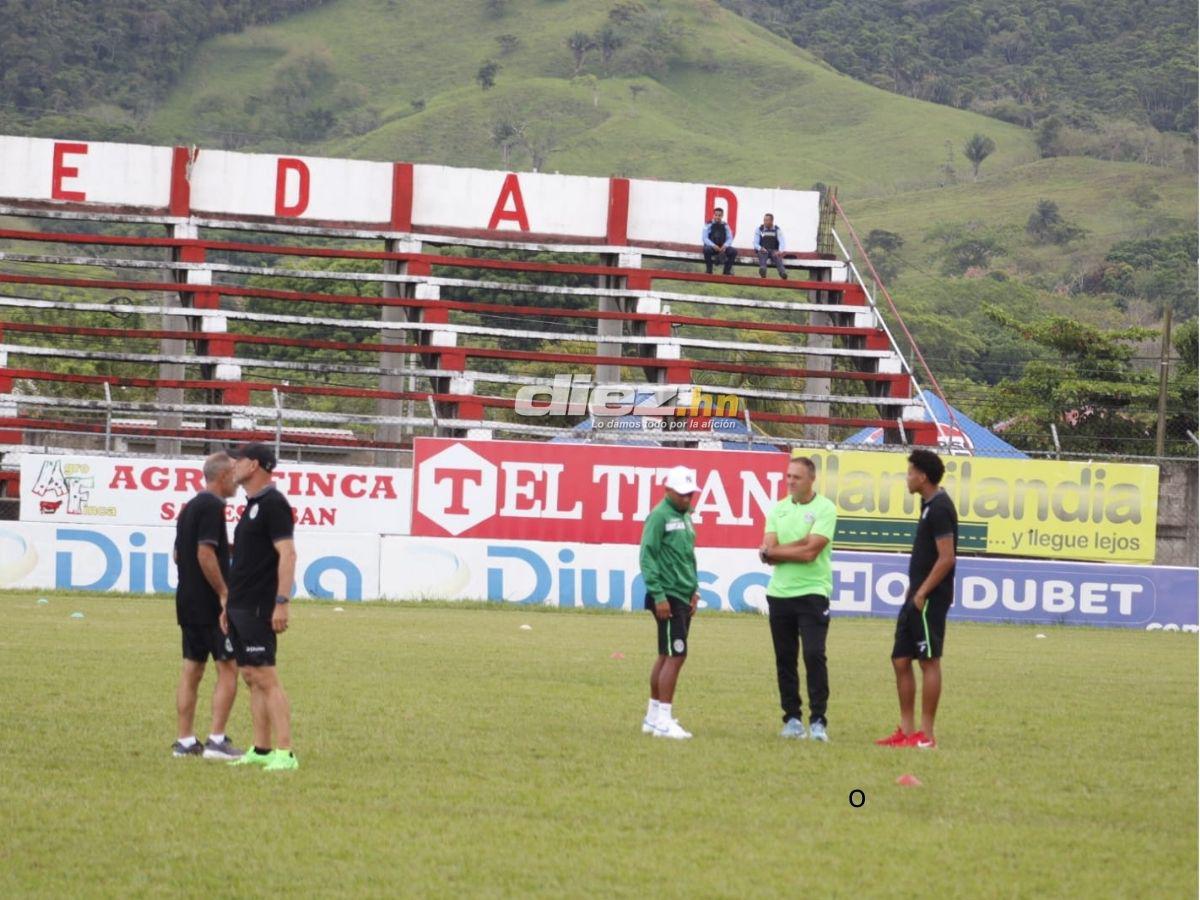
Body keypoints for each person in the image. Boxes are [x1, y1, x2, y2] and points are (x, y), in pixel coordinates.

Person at [224, 442, 300, 771]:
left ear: (254, 465)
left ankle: (286, 753)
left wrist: (281, 602)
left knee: (266, 676)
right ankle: (262, 748)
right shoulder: (252, 505)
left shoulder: (273, 503)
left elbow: (288, 554)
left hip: (259, 606)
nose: (232, 465)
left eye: (237, 460)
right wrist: (228, 605)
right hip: (240, 605)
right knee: (250, 676)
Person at [876, 449, 958, 750]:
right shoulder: (928, 505)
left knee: (928, 660)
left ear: (922, 476)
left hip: (929, 598)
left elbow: (947, 558)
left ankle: (927, 735)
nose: (907, 478)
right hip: (915, 595)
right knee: (900, 659)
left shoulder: (939, 508)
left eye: (910, 472)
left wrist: (922, 592)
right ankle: (907, 732)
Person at [170, 451, 244, 760]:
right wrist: (224, 593)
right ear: (224, 476)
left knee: (192, 669)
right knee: (228, 668)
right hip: (211, 604)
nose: (238, 481)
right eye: (235, 475)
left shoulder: (190, 507)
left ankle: (185, 741)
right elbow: (204, 553)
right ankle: (216, 741)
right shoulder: (213, 507)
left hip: (187, 600)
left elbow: (178, 554)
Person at [759, 456, 837, 741]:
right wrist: (798, 544)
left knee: (814, 655)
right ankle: (792, 719)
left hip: (813, 593)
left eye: (797, 477)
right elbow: (766, 553)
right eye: (788, 476)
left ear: (811, 479)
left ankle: (818, 721)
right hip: (779, 594)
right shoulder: (778, 509)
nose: (790, 481)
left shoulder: (825, 508)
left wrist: (781, 550)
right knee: (785, 659)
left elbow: (810, 553)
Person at [639, 465, 700, 740]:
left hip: (682, 594)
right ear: (668, 490)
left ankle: (653, 718)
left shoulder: (686, 516)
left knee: (666, 654)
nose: (688, 499)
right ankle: (664, 720)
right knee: (677, 655)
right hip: (667, 595)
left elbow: (688, 556)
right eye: (683, 494)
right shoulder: (659, 515)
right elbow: (647, 556)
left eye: (691, 494)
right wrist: (659, 595)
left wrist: (694, 590)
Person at [701, 207, 737, 276]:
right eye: (716, 215)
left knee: (734, 252)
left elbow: (730, 238)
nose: (717, 217)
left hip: (722, 248)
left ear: (722, 216)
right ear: (713, 215)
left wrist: (725, 246)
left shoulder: (725, 225)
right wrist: (713, 245)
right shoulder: (708, 224)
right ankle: (709, 270)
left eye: (719, 215)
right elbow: (704, 238)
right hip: (712, 247)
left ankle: (726, 272)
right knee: (706, 249)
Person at [753, 213, 788, 279]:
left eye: (767, 220)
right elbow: (755, 243)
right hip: (763, 250)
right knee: (762, 255)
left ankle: (782, 273)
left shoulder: (777, 230)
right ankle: (763, 271)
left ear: (772, 221)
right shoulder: (759, 229)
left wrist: (780, 251)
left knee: (777, 257)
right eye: (764, 220)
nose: (765, 222)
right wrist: (760, 248)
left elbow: (782, 242)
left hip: (773, 250)